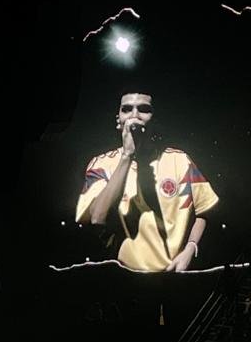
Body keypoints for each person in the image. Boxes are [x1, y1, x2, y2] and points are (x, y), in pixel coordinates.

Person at [76, 92, 218, 272]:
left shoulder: (180, 161)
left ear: (155, 120)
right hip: (122, 278)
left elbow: (205, 210)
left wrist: (191, 247)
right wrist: (127, 156)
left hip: (173, 275)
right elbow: (98, 217)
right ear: (118, 120)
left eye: (143, 109)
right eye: (127, 109)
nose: (134, 115)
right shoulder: (102, 164)